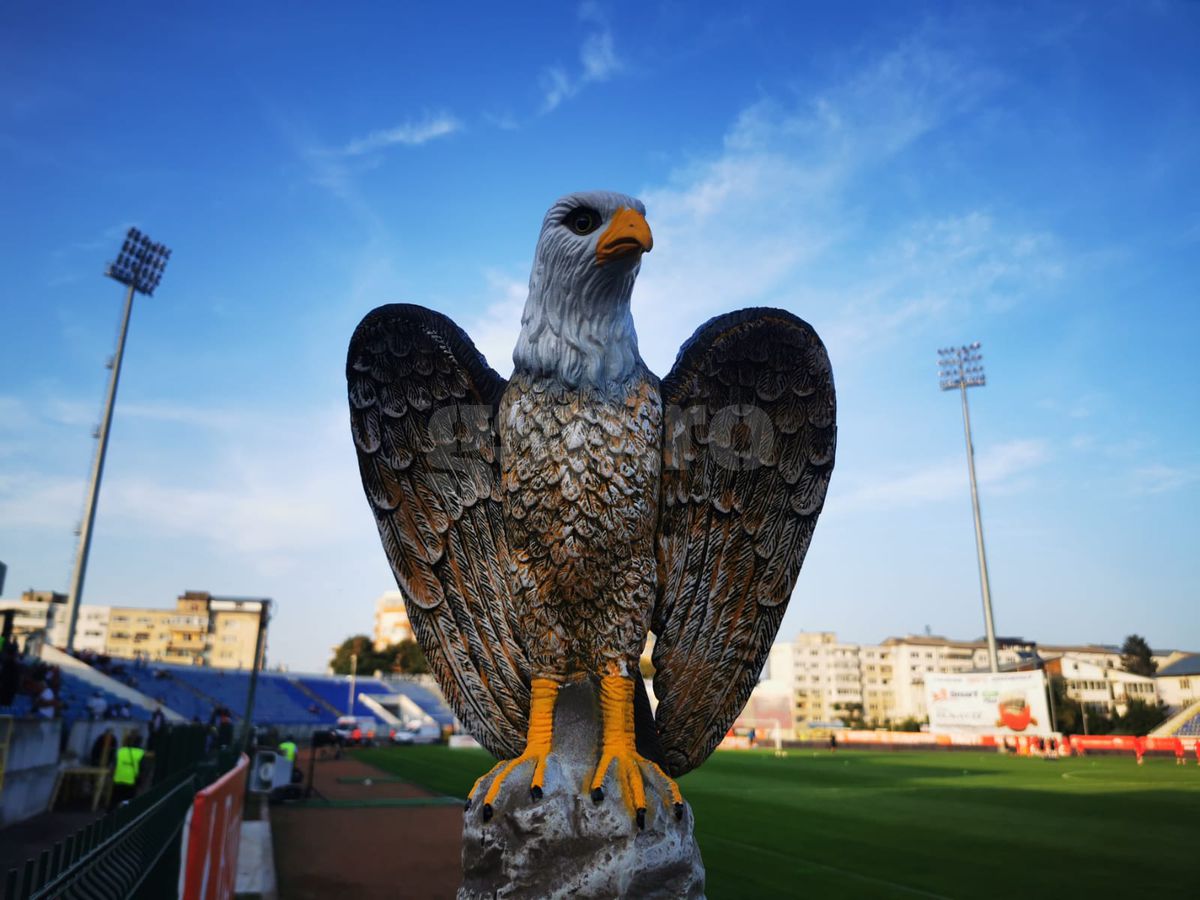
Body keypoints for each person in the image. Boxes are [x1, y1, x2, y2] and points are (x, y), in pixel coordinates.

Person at [110, 732, 145, 808]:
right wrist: (141, 784)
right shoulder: (140, 753)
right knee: (127, 804)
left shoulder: (120, 751)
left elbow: (113, 765)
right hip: (131, 782)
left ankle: (108, 816)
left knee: (114, 802)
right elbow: (142, 770)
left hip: (118, 780)